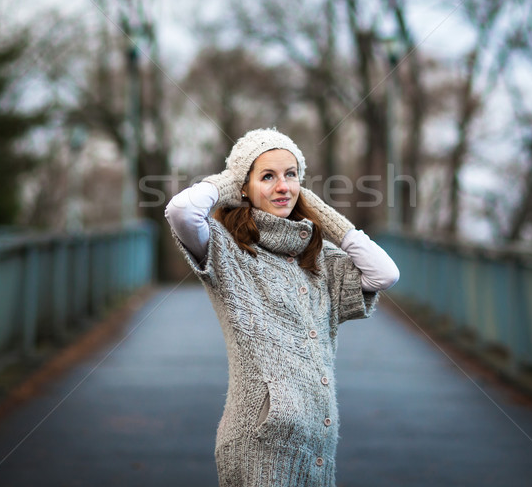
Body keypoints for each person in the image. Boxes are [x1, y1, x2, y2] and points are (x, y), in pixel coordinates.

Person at [164, 127, 399, 487]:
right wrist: (230, 180)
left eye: (291, 175)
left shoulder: (320, 259)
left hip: (316, 442)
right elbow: (181, 211)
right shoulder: (226, 250)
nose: (283, 186)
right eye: (268, 176)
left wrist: (321, 211)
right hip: (260, 441)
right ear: (243, 186)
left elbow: (384, 274)